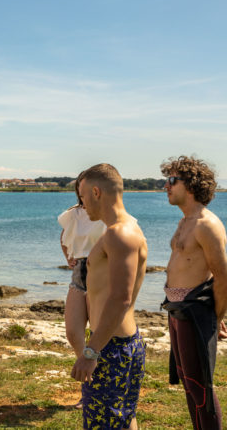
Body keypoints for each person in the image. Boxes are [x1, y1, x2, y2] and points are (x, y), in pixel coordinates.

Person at [70, 163, 147, 430]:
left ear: (96, 192)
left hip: (111, 348)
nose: (81, 203)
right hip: (117, 343)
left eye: (82, 196)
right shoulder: (117, 231)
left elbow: (120, 299)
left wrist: (91, 353)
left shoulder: (120, 234)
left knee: (104, 423)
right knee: (124, 420)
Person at [160, 155, 227, 429]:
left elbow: (223, 276)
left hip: (195, 311)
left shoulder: (206, 224)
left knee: (201, 388)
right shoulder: (185, 221)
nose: (166, 186)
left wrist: (216, 316)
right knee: (187, 383)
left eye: (172, 180)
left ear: (191, 185)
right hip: (177, 309)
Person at [58, 172, 106, 358]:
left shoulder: (109, 213)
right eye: (80, 189)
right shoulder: (74, 213)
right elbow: (64, 237)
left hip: (101, 270)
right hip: (80, 268)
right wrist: (68, 257)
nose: (81, 193)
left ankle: (95, 364)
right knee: (72, 330)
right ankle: (84, 360)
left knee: (97, 327)